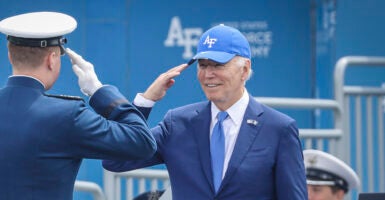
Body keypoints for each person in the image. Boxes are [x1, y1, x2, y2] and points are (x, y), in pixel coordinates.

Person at [103, 24, 308, 199]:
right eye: (203, 65)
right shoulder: (178, 124)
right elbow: (115, 160)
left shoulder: (278, 129)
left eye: (218, 65)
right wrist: (145, 101)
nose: (208, 74)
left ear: (244, 69)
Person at [0, 11, 158, 199]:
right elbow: (142, 142)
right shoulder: (66, 115)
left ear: (10, 55)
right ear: (51, 59)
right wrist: (99, 91)